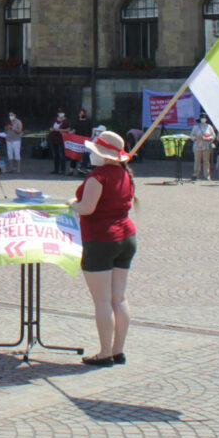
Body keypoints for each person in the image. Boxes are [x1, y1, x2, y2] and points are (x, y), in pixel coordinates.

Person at [68, 131, 136, 368]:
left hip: (101, 239)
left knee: (103, 301)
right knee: (120, 298)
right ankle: (118, 351)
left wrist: (71, 203)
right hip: (127, 237)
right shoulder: (126, 174)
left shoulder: (98, 177)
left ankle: (105, 352)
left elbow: (87, 208)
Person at [190, 113, 215, 180]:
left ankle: (207, 175)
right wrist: (196, 138)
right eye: (202, 118)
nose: (203, 119)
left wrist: (208, 138)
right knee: (197, 161)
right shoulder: (196, 127)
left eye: (204, 118)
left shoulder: (209, 127)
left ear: (206, 119)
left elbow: (213, 136)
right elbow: (191, 136)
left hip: (206, 146)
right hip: (197, 146)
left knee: (206, 161)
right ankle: (195, 174)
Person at [48, 108, 70, 175]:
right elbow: (50, 128)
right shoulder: (54, 120)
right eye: (60, 112)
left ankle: (63, 170)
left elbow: (68, 129)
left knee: (62, 155)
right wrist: (52, 129)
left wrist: (61, 130)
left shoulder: (66, 121)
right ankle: (56, 169)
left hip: (62, 139)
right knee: (55, 155)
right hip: (54, 139)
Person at [73, 108, 92, 174]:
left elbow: (91, 130)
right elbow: (74, 130)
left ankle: (83, 169)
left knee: (85, 155)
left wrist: (90, 138)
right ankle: (72, 169)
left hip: (86, 139)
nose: (81, 114)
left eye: (82, 113)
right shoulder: (76, 121)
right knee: (75, 154)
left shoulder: (88, 121)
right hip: (77, 139)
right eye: (80, 113)